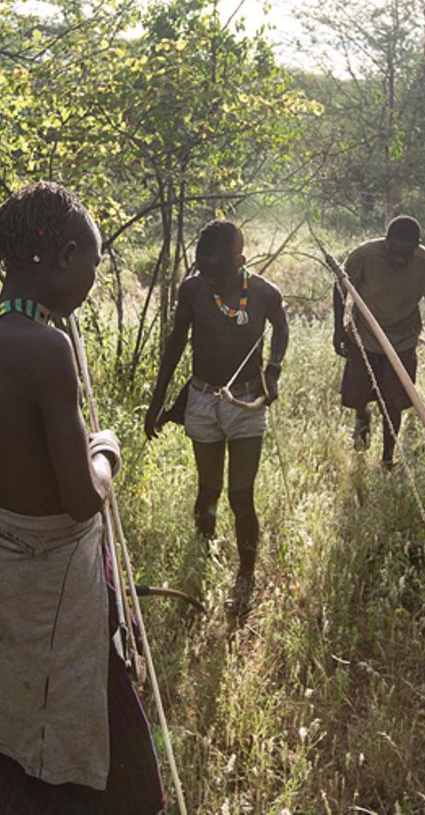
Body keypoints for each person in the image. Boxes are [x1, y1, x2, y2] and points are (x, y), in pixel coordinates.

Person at [0, 181, 164, 814]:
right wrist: (106, 452)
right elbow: (80, 500)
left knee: (14, 733)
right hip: (58, 587)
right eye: (92, 265)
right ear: (63, 256)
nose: (91, 280)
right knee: (95, 758)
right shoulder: (45, 346)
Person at [144, 220, 289, 586]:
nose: (209, 278)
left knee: (242, 496)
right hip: (202, 399)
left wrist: (272, 370)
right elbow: (176, 341)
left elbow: (282, 327)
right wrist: (157, 401)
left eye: (218, 272)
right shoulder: (192, 290)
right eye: (202, 269)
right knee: (208, 489)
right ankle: (203, 559)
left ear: (241, 260)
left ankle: (246, 574)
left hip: (246, 402)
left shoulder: (264, 294)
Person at [332, 215, 425, 468]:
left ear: (417, 246)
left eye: (405, 255)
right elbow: (340, 287)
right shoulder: (364, 255)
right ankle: (362, 418)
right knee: (359, 394)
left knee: (394, 402)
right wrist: (338, 330)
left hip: (402, 340)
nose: (398, 260)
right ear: (385, 242)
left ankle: (388, 457)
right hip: (364, 336)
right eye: (393, 252)